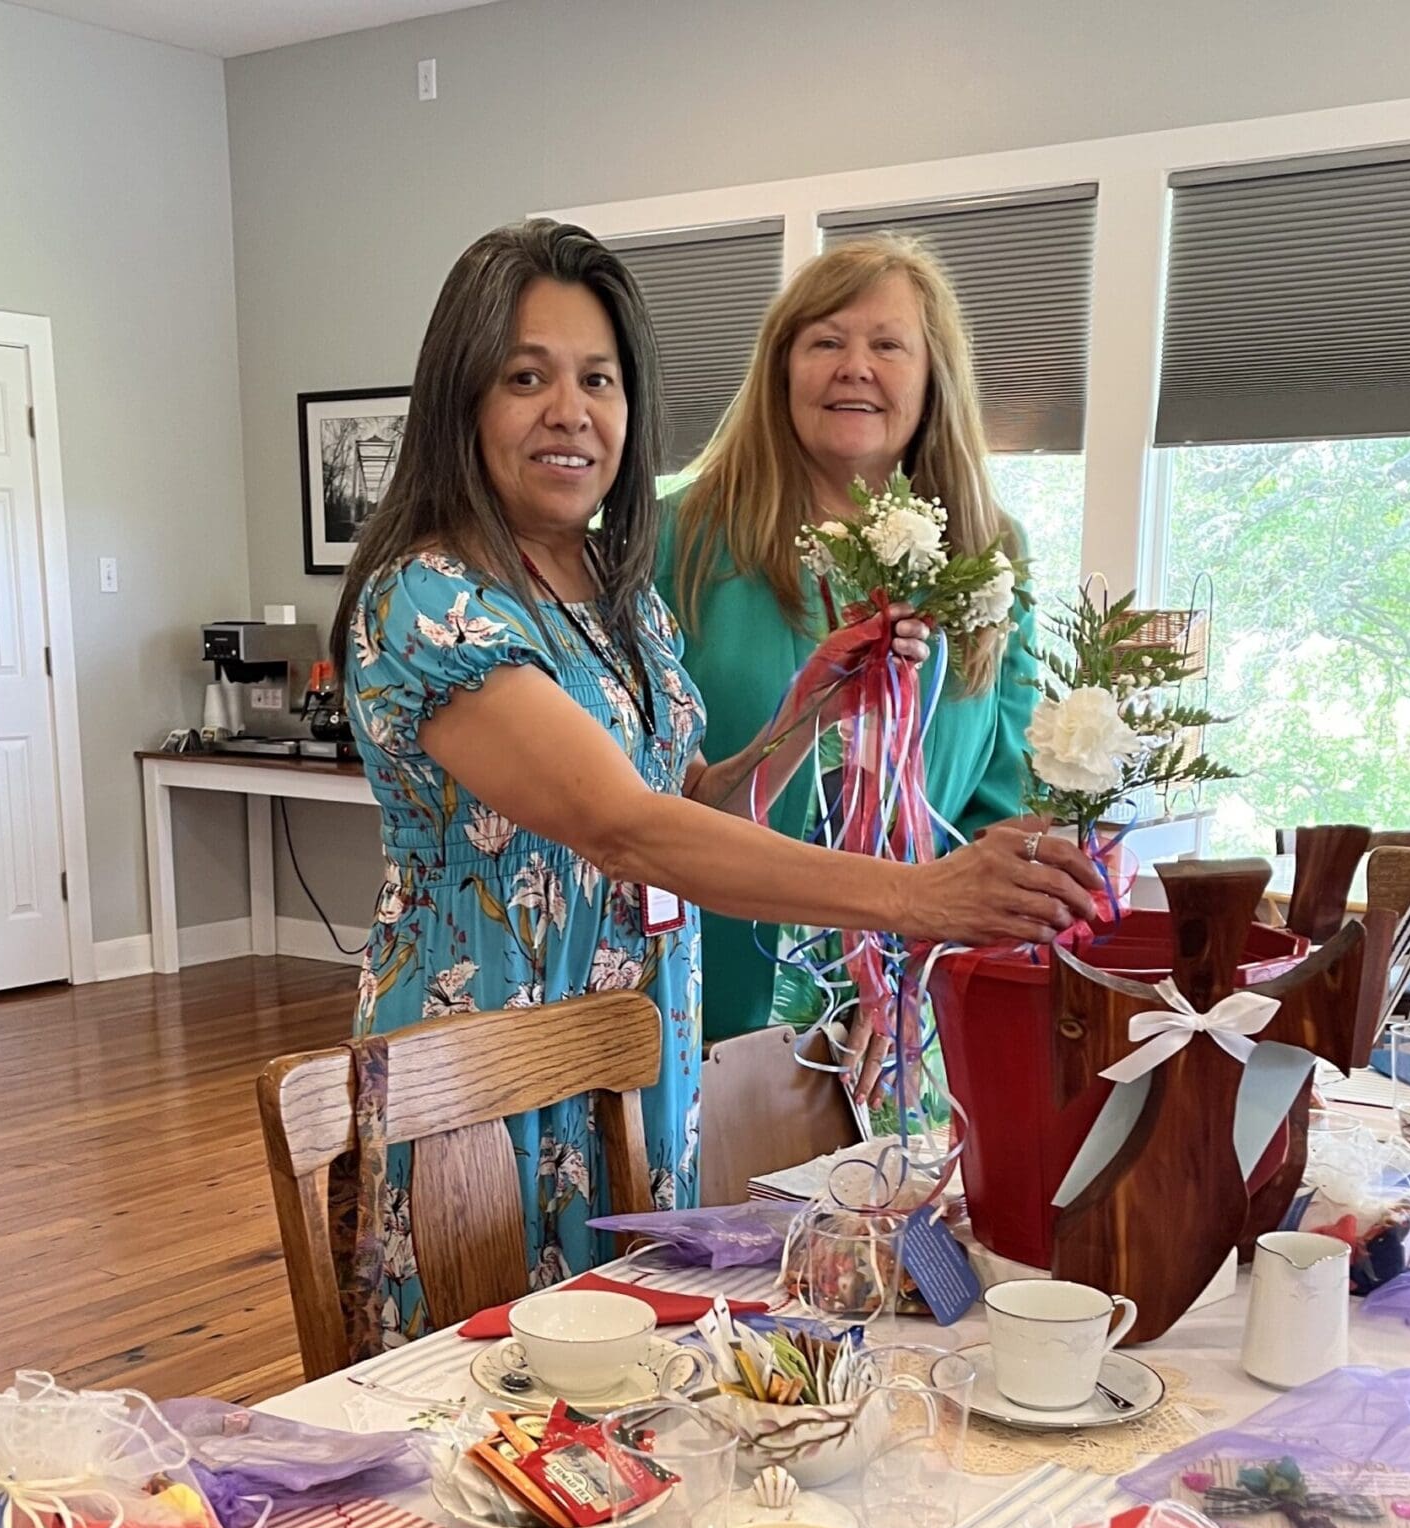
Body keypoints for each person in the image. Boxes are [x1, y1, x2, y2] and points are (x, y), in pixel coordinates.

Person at [333, 220, 1097, 1338]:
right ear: (461, 401)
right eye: (525, 377)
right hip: (487, 1069)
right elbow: (625, 828)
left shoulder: (612, 588)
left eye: (598, 378)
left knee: (643, 1379)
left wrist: (801, 718)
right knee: (487, 1412)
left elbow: (685, 797)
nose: (570, 410)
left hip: (636, 1056)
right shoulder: (432, 603)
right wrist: (918, 897)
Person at [658, 234, 1040, 1067]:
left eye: (888, 344)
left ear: (932, 375)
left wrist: (916, 966)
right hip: (708, 1012)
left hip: (907, 1024)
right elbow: (634, 803)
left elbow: (999, 810)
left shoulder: (991, 552)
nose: (854, 367)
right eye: (825, 341)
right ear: (781, 368)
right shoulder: (673, 542)